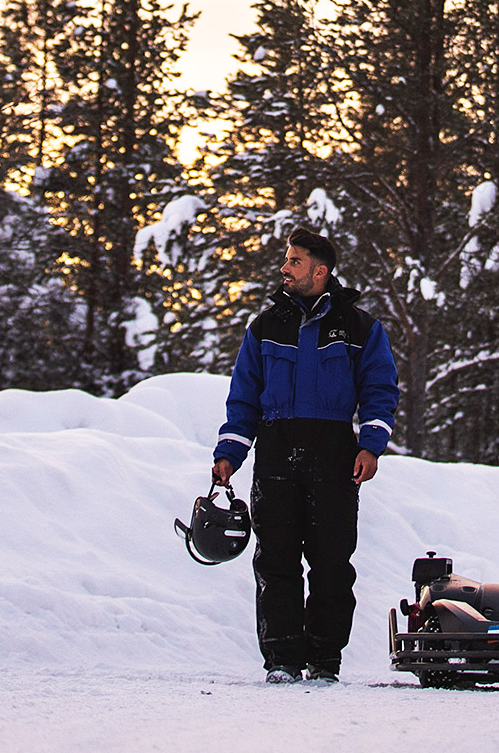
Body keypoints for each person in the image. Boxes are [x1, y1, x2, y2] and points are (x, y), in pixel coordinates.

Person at [211, 226, 400, 684]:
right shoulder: (265, 327)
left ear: (320, 270)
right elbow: (244, 398)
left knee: (332, 563)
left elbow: (380, 390)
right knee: (275, 560)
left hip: (334, 453)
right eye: (286, 259)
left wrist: (371, 446)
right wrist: (230, 452)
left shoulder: (360, 327)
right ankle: (281, 659)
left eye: (294, 261)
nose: (284, 268)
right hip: (276, 450)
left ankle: (324, 661)